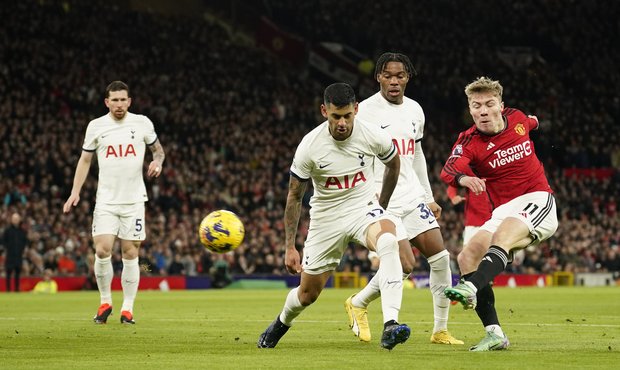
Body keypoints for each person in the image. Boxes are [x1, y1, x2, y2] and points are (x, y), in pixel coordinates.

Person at [257, 83, 410, 350]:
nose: (341, 123)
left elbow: (393, 163)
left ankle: (390, 325)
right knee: (307, 295)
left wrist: (381, 205)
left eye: (347, 116)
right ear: (324, 111)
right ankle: (280, 324)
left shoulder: (372, 135)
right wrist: (289, 246)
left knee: (388, 242)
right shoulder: (310, 146)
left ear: (356, 110)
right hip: (326, 218)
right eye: (335, 116)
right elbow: (294, 196)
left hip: (362, 208)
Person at [345, 52, 463, 345]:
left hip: (412, 196)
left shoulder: (415, 110)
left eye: (400, 76)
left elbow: (417, 154)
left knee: (440, 257)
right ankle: (365, 307)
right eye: (388, 75)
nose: (394, 81)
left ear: (408, 77)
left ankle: (440, 330)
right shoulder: (365, 111)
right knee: (405, 264)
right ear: (378, 78)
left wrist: (428, 195)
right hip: (381, 198)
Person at [440, 76, 558, 351]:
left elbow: (532, 122)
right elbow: (449, 168)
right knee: (466, 256)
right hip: (503, 210)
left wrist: (538, 122)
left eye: (489, 104)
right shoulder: (469, 141)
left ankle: (471, 288)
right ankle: (494, 333)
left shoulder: (517, 118)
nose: (483, 111)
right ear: (470, 109)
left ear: (501, 106)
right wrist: (463, 179)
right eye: (476, 105)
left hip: (538, 199)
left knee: (500, 238)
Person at [63, 81, 166, 325]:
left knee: (131, 253)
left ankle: (127, 309)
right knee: (102, 249)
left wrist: (158, 162)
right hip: (107, 200)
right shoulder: (96, 126)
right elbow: (85, 160)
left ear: (129, 101)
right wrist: (74, 192)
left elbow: (158, 150)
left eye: (123, 100)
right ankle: (105, 301)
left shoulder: (142, 123)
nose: (119, 105)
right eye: (114, 100)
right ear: (106, 102)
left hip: (134, 201)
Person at [2, 212, 28, 292]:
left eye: (17, 219)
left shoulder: (22, 231)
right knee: (8, 274)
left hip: (19, 255)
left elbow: (25, 242)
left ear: (19, 220)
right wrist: (7, 248)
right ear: (11, 220)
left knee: (17, 273)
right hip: (10, 255)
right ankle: (8, 289)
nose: (15, 220)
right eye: (14, 219)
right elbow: (3, 241)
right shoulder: (7, 230)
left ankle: (17, 289)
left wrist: (24, 249)